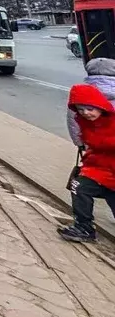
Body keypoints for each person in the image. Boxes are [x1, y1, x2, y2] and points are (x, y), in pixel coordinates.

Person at [59, 82, 115, 243]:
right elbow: (93, 149)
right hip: (99, 169)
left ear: (100, 106)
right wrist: (87, 166)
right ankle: (84, 228)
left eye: (90, 109)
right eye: (81, 109)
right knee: (79, 186)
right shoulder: (85, 124)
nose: (86, 113)